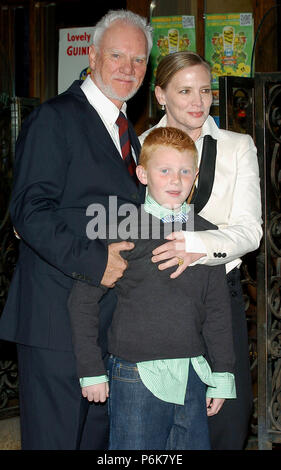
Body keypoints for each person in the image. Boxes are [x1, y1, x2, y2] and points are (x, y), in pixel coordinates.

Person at [0, 9, 153, 450]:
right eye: (117, 55)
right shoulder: (56, 118)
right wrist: (95, 260)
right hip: (55, 323)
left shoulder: (130, 134)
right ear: (91, 56)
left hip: (108, 327)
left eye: (138, 60)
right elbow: (29, 210)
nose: (128, 68)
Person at [68, 126, 236, 451]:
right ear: (143, 174)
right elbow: (82, 300)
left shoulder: (206, 234)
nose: (176, 180)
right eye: (165, 170)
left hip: (193, 374)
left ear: (196, 176)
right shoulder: (121, 228)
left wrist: (223, 374)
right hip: (135, 376)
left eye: (185, 171)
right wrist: (90, 370)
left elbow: (217, 310)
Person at [139, 51, 262, 450]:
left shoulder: (237, 146)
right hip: (152, 297)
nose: (198, 101)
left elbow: (250, 231)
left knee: (227, 417)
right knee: (156, 424)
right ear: (160, 95)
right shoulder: (137, 146)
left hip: (217, 295)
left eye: (205, 90)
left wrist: (195, 246)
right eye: (185, 90)